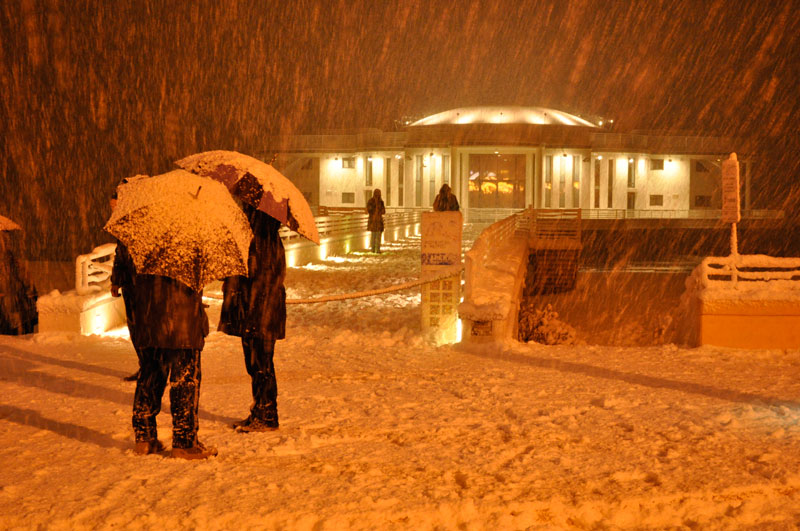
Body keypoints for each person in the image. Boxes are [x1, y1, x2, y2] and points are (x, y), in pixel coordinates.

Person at [219, 204, 287, 433]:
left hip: (258, 312)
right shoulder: (270, 240)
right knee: (259, 364)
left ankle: (266, 414)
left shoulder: (258, 242)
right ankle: (262, 410)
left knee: (260, 365)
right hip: (262, 312)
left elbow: (252, 275)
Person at [130, 274, 215, 459]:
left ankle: (144, 437)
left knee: (150, 377)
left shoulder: (147, 252)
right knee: (184, 383)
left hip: (151, 322)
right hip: (183, 325)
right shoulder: (189, 253)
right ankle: (184, 442)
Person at [109, 187, 141, 382]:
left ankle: (150, 367)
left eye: (115, 206)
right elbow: (120, 255)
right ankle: (145, 365)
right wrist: (116, 280)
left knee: (143, 329)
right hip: (130, 284)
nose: (113, 211)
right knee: (135, 328)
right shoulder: (122, 226)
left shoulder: (139, 225)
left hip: (143, 286)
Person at [0, 231, 37, 335]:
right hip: (12, 307)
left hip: (13, 306)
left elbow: (26, 281)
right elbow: (27, 282)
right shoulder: (14, 262)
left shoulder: (14, 262)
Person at [366, 188, 386, 253]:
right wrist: (376, 212)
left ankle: (375, 249)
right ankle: (375, 249)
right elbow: (369, 209)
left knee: (375, 235)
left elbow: (383, 211)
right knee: (376, 235)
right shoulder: (377, 201)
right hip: (376, 221)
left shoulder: (375, 201)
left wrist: (376, 212)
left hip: (375, 221)